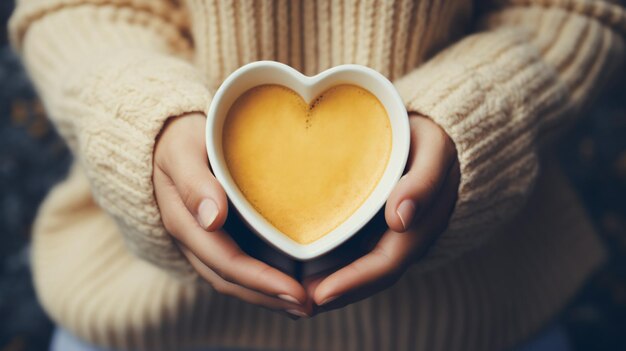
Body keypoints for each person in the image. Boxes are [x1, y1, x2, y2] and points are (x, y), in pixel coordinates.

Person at [8, 0, 626, 350]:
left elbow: (571, 10)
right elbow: (74, 9)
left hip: (479, 313)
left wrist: (480, 115)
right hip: (149, 318)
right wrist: (142, 124)